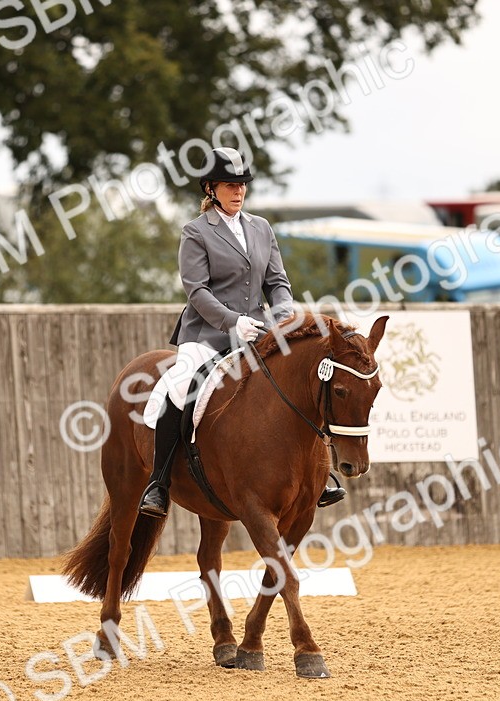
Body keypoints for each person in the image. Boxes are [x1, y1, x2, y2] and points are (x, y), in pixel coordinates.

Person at [138, 146, 347, 518]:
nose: (238, 191)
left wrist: (281, 318)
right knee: (181, 386)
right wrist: (232, 321)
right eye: (230, 185)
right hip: (207, 334)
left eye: (242, 185)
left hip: (259, 332)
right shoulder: (196, 232)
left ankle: (319, 474)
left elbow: (277, 283)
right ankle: (159, 483)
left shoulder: (261, 228)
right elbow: (197, 291)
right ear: (211, 188)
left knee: (298, 382)